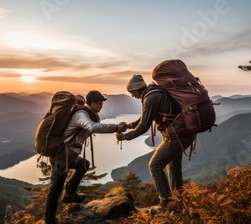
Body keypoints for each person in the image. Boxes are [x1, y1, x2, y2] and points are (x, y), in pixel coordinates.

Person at [44, 90, 127, 224]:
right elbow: (92, 127)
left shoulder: (88, 113)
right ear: (93, 103)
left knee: (83, 165)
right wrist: (116, 127)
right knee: (56, 187)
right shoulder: (81, 114)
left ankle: (70, 193)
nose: (102, 106)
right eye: (100, 103)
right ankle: (49, 220)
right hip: (61, 154)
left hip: (68, 154)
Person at [115, 74, 196, 210]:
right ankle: (179, 201)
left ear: (136, 88)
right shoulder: (153, 93)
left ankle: (166, 202)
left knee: (155, 165)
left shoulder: (151, 97)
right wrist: (129, 125)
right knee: (173, 168)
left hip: (177, 136)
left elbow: (144, 126)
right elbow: (145, 118)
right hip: (184, 133)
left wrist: (126, 137)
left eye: (131, 92)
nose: (132, 95)